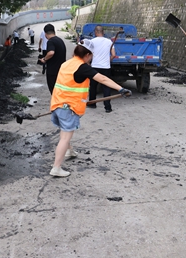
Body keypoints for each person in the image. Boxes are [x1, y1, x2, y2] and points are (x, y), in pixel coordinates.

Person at [49, 39, 132, 177]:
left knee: (65, 131)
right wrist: (121, 89)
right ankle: (56, 168)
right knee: (65, 137)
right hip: (68, 108)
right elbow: (103, 79)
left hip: (57, 104)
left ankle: (69, 151)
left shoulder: (66, 64)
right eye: (91, 56)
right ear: (87, 55)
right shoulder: (82, 67)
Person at [88, 25, 116, 113]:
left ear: (95, 32)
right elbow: (113, 55)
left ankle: (92, 104)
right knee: (106, 87)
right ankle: (108, 107)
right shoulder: (109, 41)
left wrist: (89, 63)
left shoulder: (92, 41)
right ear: (103, 32)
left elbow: (88, 54)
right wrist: (108, 60)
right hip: (106, 67)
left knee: (93, 86)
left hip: (95, 67)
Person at [38, 24, 67, 94]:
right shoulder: (60, 40)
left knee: (54, 92)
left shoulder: (50, 41)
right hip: (61, 70)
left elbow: (51, 53)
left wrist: (44, 59)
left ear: (45, 34)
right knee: (60, 92)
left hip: (53, 72)